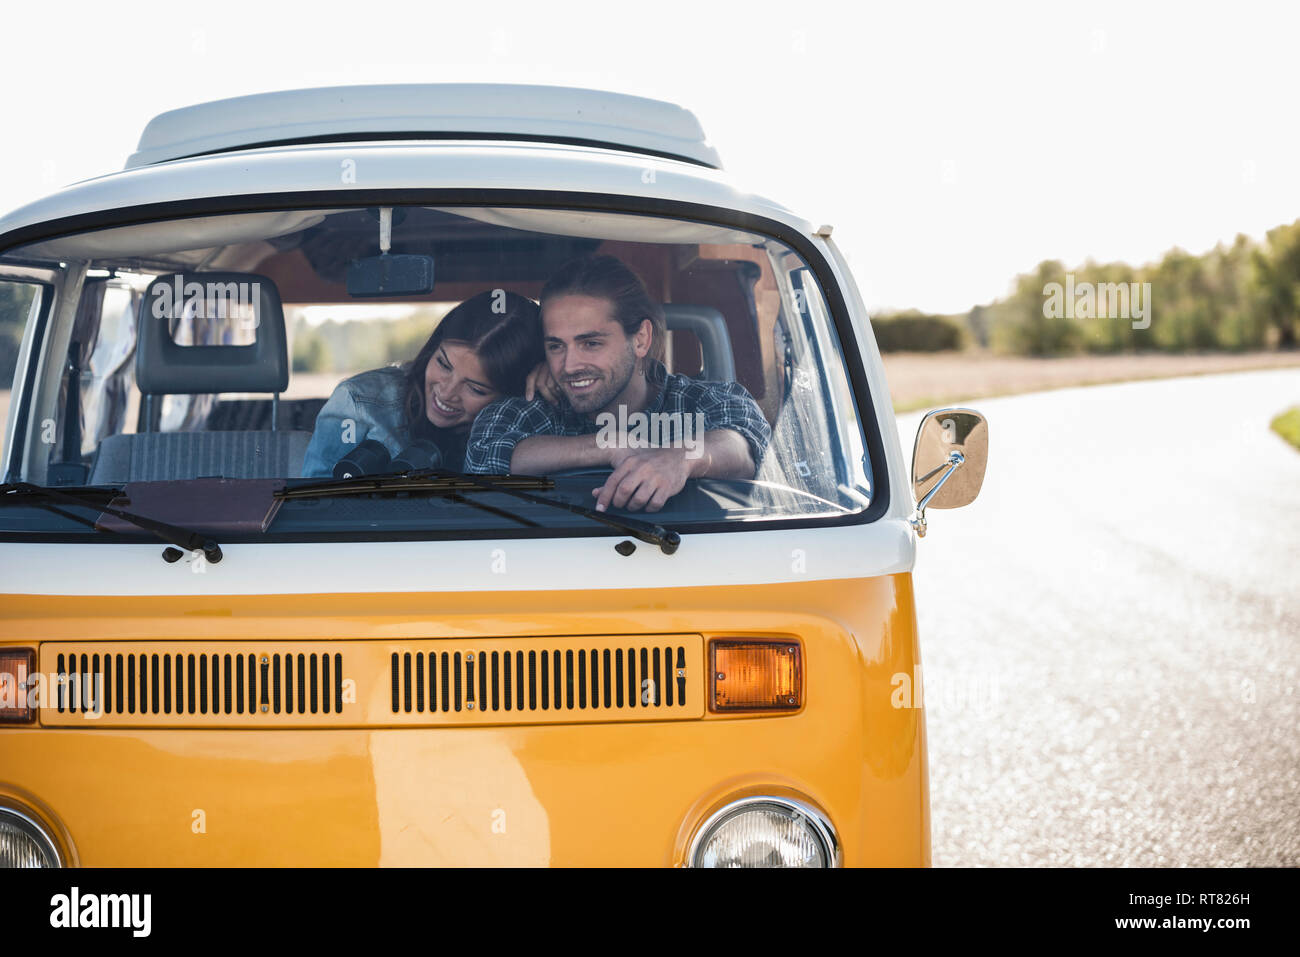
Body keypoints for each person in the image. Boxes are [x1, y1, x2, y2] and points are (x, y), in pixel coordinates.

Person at [465, 255, 771, 513]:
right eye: (556, 346)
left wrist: (681, 458)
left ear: (640, 339)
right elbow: (486, 457)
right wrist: (608, 445)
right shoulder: (528, 410)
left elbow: (744, 446)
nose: (569, 366)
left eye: (591, 343)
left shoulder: (704, 401)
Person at [301, 290, 542, 476]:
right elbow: (313, 509)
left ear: (512, 396)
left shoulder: (528, 417)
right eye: (443, 364)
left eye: (475, 388)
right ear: (432, 348)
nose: (446, 392)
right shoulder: (359, 404)